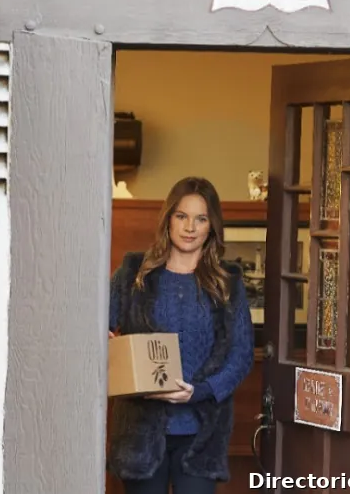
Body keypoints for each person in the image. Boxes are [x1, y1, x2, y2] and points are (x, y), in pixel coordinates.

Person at [107, 176, 254, 494]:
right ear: (168, 219)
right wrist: (106, 343)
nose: (190, 227)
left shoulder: (227, 282)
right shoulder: (133, 273)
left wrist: (201, 391)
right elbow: (98, 327)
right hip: (140, 433)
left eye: (201, 219)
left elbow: (241, 355)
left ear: (211, 226)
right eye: (182, 216)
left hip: (202, 434)